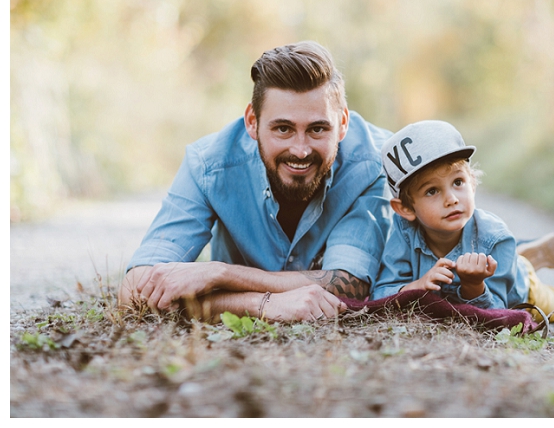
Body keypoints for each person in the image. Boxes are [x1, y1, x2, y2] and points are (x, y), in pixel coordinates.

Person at [119, 41, 395, 323]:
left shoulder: (373, 163)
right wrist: (260, 304)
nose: (300, 150)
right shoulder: (209, 165)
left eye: (317, 129)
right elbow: (134, 290)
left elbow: (350, 287)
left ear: (343, 123)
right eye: (283, 129)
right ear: (252, 121)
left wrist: (221, 274)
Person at [371, 120, 554, 323]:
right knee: (509, 259)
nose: (452, 199)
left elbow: (497, 312)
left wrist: (473, 284)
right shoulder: (404, 232)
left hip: (520, 290)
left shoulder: (493, 235)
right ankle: (520, 255)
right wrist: (416, 286)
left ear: (472, 184)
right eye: (432, 191)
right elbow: (382, 293)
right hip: (499, 261)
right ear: (405, 208)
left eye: (458, 182)